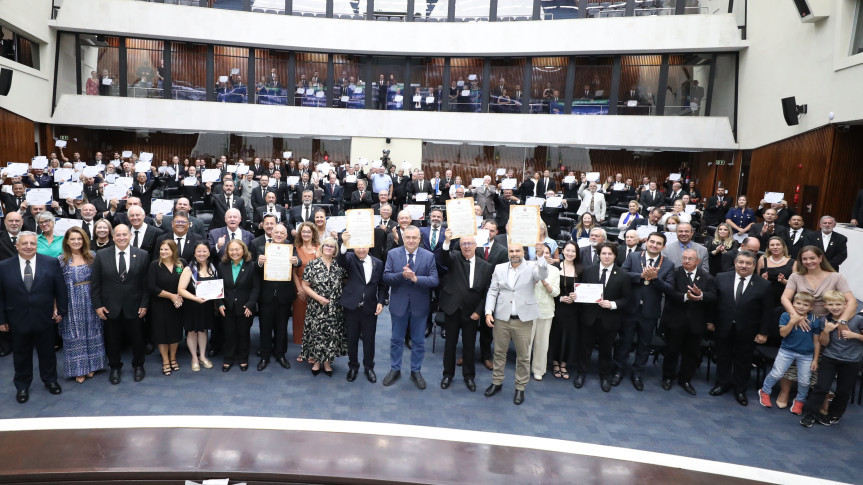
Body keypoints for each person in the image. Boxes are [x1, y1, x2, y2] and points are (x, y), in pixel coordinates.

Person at [776, 245, 856, 409]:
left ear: (820, 258)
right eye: (805, 259)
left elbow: (852, 301)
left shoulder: (836, 277)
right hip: (801, 321)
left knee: (821, 361)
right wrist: (795, 317)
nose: (808, 261)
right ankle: (784, 392)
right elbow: (785, 298)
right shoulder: (796, 276)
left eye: (812, 258)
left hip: (825, 325)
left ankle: (820, 397)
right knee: (791, 356)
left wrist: (842, 321)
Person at [0, 232, 68, 403]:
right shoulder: (4, 266)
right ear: (17, 246)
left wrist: (61, 310)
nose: (29, 246)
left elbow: (60, 289)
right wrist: (1, 320)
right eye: (24, 243)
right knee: (21, 354)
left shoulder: (51, 263)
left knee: (47, 353)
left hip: (44, 317)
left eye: (32, 243)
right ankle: (22, 386)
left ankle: (50, 381)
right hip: (17, 318)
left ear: (36, 245)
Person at [484, 243, 549, 405]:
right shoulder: (499, 268)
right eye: (511, 251)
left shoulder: (532, 267)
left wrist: (540, 257)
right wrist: (488, 312)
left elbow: (542, 274)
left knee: (523, 356)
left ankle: (520, 387)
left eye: (517, 251)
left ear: (523, 252)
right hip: (501, 318)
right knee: (499, 353)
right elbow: (493, 291)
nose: (514, 254)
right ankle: (497, 382)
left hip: (523, 320)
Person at [710, 250, 772, 406]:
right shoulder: (721, 278)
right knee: (722, 357)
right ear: (735, 263)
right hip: (723, 326)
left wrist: (763, 332)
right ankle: (721, 384)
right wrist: (710, 321)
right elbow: (713, 303)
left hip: (748, 329)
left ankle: (740, 389)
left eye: (748, 263)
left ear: (754, 265)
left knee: (743, 360)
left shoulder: (764, 284)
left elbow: (767, 311)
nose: (744, 266)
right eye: (741, 262)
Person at [615, 232, 675, 390]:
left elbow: (670, 289)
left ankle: (637, 373)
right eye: (652, 241)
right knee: (624, 342)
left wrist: (655, 279)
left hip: (650, 312)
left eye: (658, 243)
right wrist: (641, 275)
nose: (654, 245)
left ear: (663, 246)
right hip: (630, 308)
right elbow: (622, 274)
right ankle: (618, 370)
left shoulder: (668, 264)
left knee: (644, 344)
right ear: (646, 242)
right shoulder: (634, 257)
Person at [382, 225, 439, 390]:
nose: (411, 240)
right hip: (399, 305)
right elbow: (386, 277)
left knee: (419, 342)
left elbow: (434, 280)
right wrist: (401, 275)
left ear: (419, 239)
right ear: (403, 238)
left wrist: (416, 279)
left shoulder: (428, 256)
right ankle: (395, 369)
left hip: (420, 306)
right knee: (396, 340)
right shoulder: (393, 254)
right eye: (408, 237)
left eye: (414, 237)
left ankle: (416, 371)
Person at [92, 225, 150, 385]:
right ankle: (115, 367)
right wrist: (98, 306)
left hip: (135, 306)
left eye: (125, 234)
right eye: (118, 235)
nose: (122, 237)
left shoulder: (143, 255)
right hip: (110, 307)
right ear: (113, 236)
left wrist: (145, 304)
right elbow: (96, 284)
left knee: (138, 339)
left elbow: (146, 284)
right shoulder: (102, 255)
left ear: (130, 236)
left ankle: (139, 365)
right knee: (112, 340)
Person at [439, 230, 493, 392]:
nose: (467, 246)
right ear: (460, 246)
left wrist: (479, 311)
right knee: (450, 344)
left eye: (470, 243)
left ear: (476, 245)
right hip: (452, 309)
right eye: (463, 244)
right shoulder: (454, 258)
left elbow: (487, 292)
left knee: (469, 346)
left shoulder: (487, 267)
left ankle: (469, 376)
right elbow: (443, 257)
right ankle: (447, 374)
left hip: (472, 312)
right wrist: (447, 241)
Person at [799, 290, 863, 427]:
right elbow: (824, 343)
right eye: (831, 304)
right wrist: (826, 331)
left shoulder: (858, 319)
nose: (835, 307)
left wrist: (855, 336)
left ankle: (834, 415)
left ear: (846, 305)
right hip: (830, 358)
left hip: (852, 361)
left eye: (838, 304)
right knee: (821, 387)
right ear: (825, 305)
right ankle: (810, 413)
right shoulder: (825, 320)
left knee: (843, 390)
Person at [575, 242, 631, 392]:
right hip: (589, 317)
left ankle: (605, 376)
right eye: (604, 253)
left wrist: (612, 304)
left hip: (609, 319)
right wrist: (577, 295)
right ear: (599, 255)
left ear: (615, 256)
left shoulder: (623, 275)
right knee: (585, 348)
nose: (606, 256)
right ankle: (581, 373)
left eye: (610, 254)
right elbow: (582, 291)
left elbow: (626, 299)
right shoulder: (587, 271)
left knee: (606, 350)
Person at [660, 248, 716, 395]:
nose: (686, 261)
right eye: (684, 258)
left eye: (690, 258)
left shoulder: (707, 277)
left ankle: (685, 379)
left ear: (698, 261)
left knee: (691, 353)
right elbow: (670, 293)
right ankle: (667, 377)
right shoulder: (675, 273)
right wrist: (686, 297)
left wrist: (701, 295)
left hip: (696, 323)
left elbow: (713, 297)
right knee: (671, 351)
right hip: (675, 320)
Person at [758, 292, 822, 415]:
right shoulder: (786, 316)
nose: (801, 307)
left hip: (806, 355)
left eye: (805, 304)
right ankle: (765, 391)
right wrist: (792, 321)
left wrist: (815, 359)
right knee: (777, 373)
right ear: (792, 304)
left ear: (811, 307)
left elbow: (816, 342)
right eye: (798, 303)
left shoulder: (815, 320)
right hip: (786, 351)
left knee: (804, 381)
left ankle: (799, 401)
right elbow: (783, 334)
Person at [338, 230, 388, 383]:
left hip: (370, 308)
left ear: (369, 247)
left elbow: (382, 285)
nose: (361, 249)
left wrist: (380, 301)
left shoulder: (378, 263)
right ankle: (353, 367)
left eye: (364, 246)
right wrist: (344, 243)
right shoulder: (350, 258)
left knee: (369, 340)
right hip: (352, 307)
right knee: (352, 339)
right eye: (358, 247)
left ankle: (369, 367)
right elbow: (341, 260)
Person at [57, 227, 106, 384]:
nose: (76, 242)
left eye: (79, 239)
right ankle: (79, 369)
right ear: (67, 241)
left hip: (91, 299)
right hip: (71, 301)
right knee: (74, 334)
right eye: (73, 239)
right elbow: (56, 286)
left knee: (93, 331)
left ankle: (93, 365)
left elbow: (100, 281)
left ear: (84, 240)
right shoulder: (61, 260)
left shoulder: (93, 256)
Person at [301, 236, 346, 376]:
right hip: (316, 307)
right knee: (317, 334)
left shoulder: (339, 267)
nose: (328, 248)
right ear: (322, 248)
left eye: (332, 246)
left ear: (335, 250)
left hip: (334, 308)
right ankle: (316, 362)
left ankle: (327, 362)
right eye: (326, 245)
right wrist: (319, 298)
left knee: (331, 335)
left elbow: (345, 282)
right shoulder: (312, 265)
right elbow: (305, 285)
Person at [254, 223, 298, 371]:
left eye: (282, 233)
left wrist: (296, 261)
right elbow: (255, 268)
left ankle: (280, 354)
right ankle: (265, 356)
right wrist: (259, 263)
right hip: (266, 296)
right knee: (265, 327)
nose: (279, 235)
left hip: (284, 296)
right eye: (276, 232)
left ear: (286, 236)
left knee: (282, 328)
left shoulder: (291, 249)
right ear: (271, 234)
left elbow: (299, 262)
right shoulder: (262, 249)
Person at [216, 239, 259, 372]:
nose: (234, 252)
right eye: (231, 250)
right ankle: (228, 359)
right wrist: (220, 303)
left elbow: (256, 287)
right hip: (227, 307)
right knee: (229, 334)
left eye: (237, 249)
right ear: (227, 252)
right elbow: (218, 286)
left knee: (243, 334)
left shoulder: (251, 266)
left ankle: (243, 358)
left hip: (245, 307)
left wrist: (251, 304)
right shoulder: (222, 266)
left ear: (243, 250)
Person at [177, 241, 216, 372]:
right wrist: (196, 299)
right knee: (192, 331)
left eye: (204, 251)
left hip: (206, 306)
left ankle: (203, 356)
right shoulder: (189, 269)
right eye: (199, 251)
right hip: (192, 305)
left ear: (209, 252)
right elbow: (181, 289)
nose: (202, 254)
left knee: (203, 330)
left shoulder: (212, 267)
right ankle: (194, 357)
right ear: (194, 253)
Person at [148, 240, 185, 376]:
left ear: (173, 251)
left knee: (174, 332)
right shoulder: (154, 265)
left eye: (166, 250)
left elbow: (187, 282)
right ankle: (165, 360)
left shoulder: (181, 264)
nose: (163, 252)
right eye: (161, 249)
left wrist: (179, 297)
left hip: (177, 304)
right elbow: (151, 287)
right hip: (160, 304)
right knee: (161, 333)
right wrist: (171, 296)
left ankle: (173, 358)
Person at [549, 241, 581, 382]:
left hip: (574, 309)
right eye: (568, 250)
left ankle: (564, 363)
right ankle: (555, 362)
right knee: (555, 334)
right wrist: (560, 298)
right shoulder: (555, 267)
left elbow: (585, 289)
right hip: (557, 307)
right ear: (562, 251)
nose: (570, 254)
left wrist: (577, 296)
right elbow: (549, 288)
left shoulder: (581, 269)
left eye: (573, 251)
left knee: (570, 336)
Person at [529, 244, 561, 382]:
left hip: (546, 310)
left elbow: (556, 292)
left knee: (542, 343)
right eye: (542, 252)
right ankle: (523, 368)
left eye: (547, 253)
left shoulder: (555, 271)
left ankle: (538, 370)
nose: (545, 255)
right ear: (537, 253)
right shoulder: (530, 267)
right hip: (529, 310)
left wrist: (545, 283)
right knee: (526, 342)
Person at [293, 221, 321, 361]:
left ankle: (314, 352)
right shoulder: (296, 248)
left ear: (313, 233)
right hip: (300, 291)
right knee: (301, 321)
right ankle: (304, 351)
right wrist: (299, 289)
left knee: (315, 322)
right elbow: (294, 271)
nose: (306, 234)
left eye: (308, 232)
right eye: (303, 231)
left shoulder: (319, 248)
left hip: (316, 291)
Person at [756, 236, 798, 313]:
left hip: (784, 299)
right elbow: (756, 281)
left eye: (778, 244)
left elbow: (796, 285)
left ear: (783, 246)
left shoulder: (793, 262)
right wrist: (762, 280)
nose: (775, 247)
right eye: (772, 245)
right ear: (768, 248)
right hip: (765, 298)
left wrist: (783, 281)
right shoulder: (762, 260)